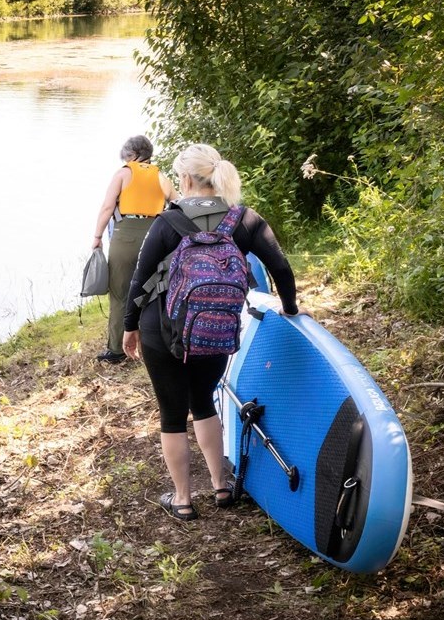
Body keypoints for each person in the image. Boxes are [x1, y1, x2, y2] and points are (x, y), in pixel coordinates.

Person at [122, 143, 301, 521]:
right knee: (203, 400)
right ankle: (221, 485)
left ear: (186, 180)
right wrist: (289, 308)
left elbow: (139, 279)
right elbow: (281, 268)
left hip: (162, 330)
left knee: (172, 414)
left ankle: (183, 500)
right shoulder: (244, 219)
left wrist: (129, 326)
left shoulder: (167, 221)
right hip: (215, 331)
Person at [90, 135, 178, 364]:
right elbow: (179, 205)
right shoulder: (161, 177)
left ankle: (116, 350)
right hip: (155, 236)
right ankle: (151, 344)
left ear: (132, 154)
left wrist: (97, 237)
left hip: (125, 236)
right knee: (152, 291)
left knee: (120, 293)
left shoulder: (123, 174)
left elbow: (107, 207)